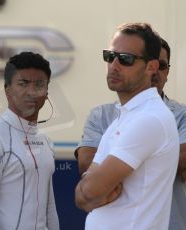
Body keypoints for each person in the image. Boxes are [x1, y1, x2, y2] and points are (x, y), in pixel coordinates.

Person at [74, 23, 179, 229]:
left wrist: (92, 188)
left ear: (151, 67)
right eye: (110, 56)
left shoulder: (150, 119)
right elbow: (82, 197)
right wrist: (91, 188)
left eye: (126, 59)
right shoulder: (125, 116)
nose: (114, 65)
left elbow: (89, 192)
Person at [0, 52, 59, 230]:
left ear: (47, 91)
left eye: (39, 84)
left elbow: (49, 206)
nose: (32, 92)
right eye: (23, 83)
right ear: (7, 89)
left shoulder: (45, 141)